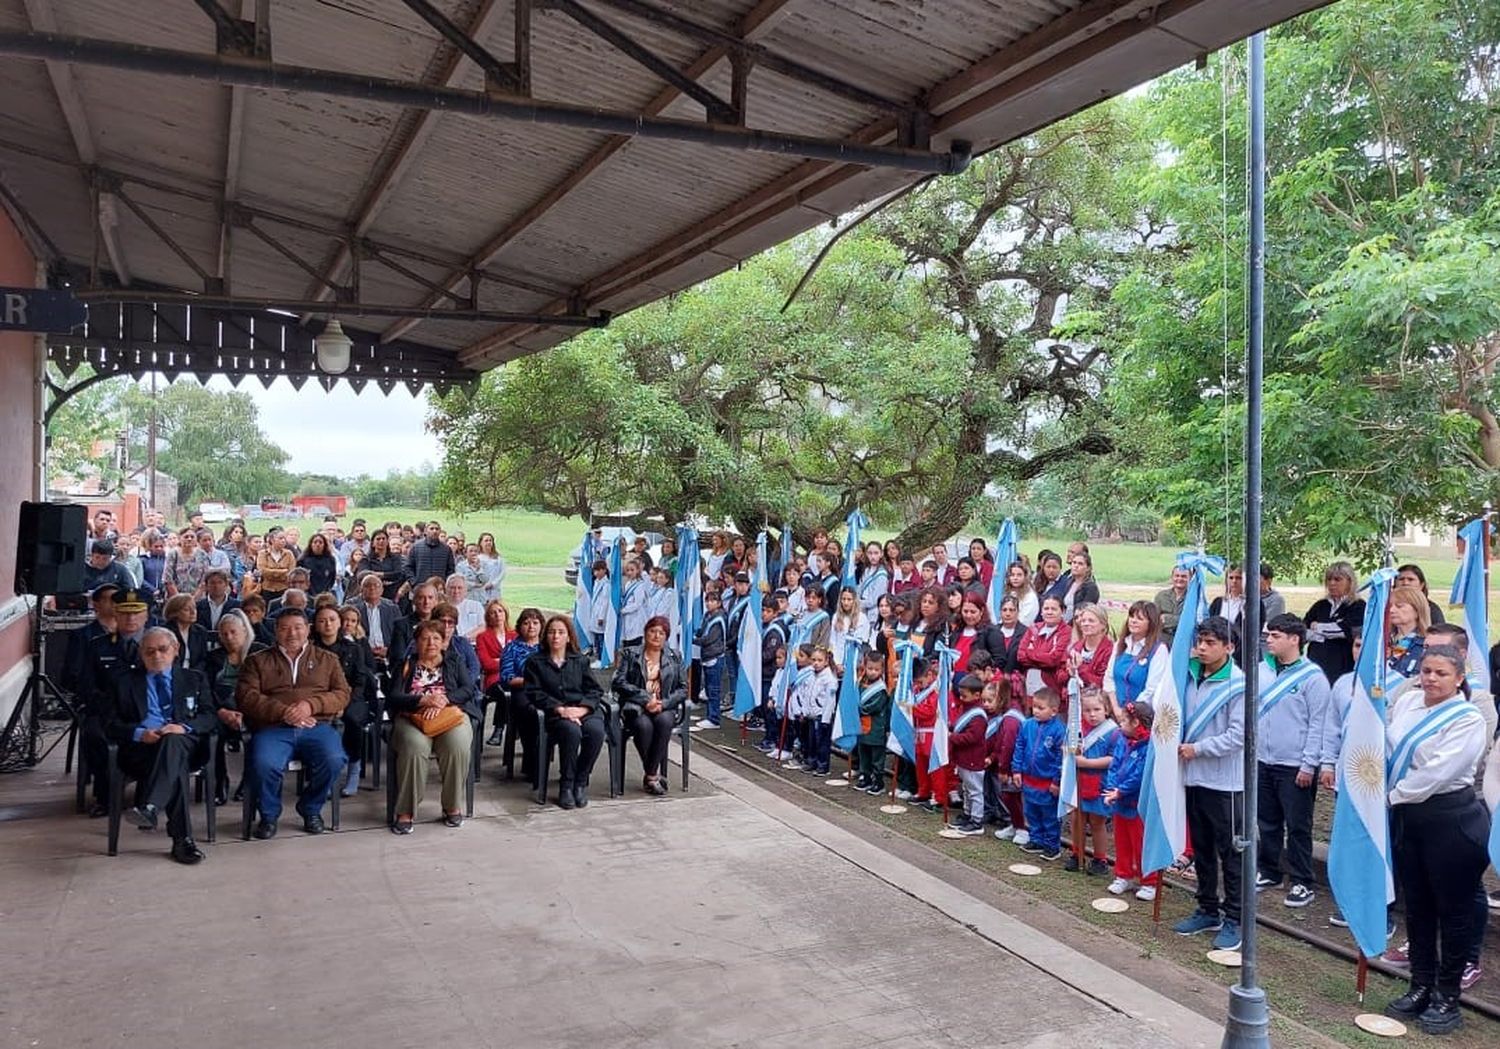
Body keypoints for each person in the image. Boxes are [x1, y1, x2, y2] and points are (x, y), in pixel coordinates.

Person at [1382, 646, 1492, 1034]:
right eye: (1426, 671)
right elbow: (1389, 745)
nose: (1431, 679)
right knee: (1419, 908)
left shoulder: (1468, 718)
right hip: (1410, 821)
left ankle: (1448, 996)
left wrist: (1391, 797)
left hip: (1451, 821)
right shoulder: (1410, 701)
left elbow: (1438, 772)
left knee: (1455, 912)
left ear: (1459, 677)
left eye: (1441, 673)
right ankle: (1421, 985)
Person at [103, 627, 216, 864]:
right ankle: (182, 841)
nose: (156, 656)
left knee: (173, 742)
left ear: (175, 650)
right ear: (141, 654)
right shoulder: (124, 682)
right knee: (175, 765)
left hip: (187, 744)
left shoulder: (193, 678)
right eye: (149, 651)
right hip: (142, 750)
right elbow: (109, 723)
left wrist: (183, 727)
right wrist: (139, 733)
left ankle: (150, 805)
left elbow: (209, 717)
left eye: (163, 649)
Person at [236, 608, 350, 839]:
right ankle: (268, 815)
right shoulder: (257, 661)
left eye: (298, 627)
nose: (292, 633)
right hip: (274, 727)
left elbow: (342, 693)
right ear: (276, 631)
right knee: (264, 763)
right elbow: (246, 696)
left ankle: (311, 808)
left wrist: (311, 705)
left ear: (308, 629)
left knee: (334, 759)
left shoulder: (327, 660)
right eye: (285, 628)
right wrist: (283, 711)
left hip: (316, 726)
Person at [1171, 616, 1248, 953]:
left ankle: (1235, 917)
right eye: (1200, 641)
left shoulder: (1239, 684)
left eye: (1210, 643)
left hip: (1225, 782)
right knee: (1201, 848)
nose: (1202, 648)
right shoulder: (1187, 675)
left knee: (1230, 852)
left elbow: (1237, 736)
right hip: (1193, 777)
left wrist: (1198, 749)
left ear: (1229, 647)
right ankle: (1207, 908)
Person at [1252, 613, 1329, 909]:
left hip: (1294, 764)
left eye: (1275, 636)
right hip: (1264, 759)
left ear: (1294, 639)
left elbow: (1317, 724)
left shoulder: (1313, 678)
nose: (1268, 641)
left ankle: (1301, 880)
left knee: (1298, 826)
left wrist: (1309, 764)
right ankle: (1270, 870)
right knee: (1267, 821)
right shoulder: (1262, 671)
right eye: (1268, 635)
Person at [387, 620, 479, 833]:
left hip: (449, 716)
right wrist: (422, 701)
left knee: (457, 746)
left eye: (436, 638)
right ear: (416, 642)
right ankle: (406, 810)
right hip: (412, 718)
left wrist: (443, 699)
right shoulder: (406, 664)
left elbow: (468, 689)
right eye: (425, 638)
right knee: (414, 748)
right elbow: (394, 697)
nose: (431, 643)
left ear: (443, 641)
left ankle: (452, 805)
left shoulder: (454, 661)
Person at [525, 616, 605, 809]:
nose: (556, 636)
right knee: (571, 732)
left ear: (569, 637)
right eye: (552, 632)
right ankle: (566, 785)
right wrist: (560, 709)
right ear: (546, 636)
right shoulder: (535, 662)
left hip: (583, 710)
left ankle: (581, 781)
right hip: (555, 712)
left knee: (596, 732)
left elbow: (594, 690)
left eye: (561, 632)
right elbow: (533, 692)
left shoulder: (580, 661)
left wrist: (581, 709)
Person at [612, 616, 688, 795]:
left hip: (664, 705)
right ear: (645, 633)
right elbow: (618, 682)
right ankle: (653, 775)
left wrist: (664, 703)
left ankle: (650, 775)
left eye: (661, 633)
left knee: (663, 722)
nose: (656, 636)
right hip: (637, 706)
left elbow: (683, 689)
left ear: (666, 637)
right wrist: (645, 699)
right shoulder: (630, 654)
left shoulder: (675, 656)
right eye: (652, 631)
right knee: (643, 726)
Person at [310, 604, 372, 799]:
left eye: (332, 619)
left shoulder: (353, 648)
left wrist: (343, 702)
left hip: (350, 698)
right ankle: (323, 775)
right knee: (318, 724)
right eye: (322, 620)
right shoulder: (309, 650)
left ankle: (353, 769)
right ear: (316, 625)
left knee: (353, 720)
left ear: (339, 623)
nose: (327, 624)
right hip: (319, 700)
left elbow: (360, 680)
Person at [1102, 698, 1156, 900]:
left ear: (1135, 723)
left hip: (1137, 804)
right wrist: (1111, 787)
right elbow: (1115, 765)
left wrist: (1121, 790)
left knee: (1141, 843)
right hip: (1120, 802)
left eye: (1124, 720)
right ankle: (1123, 875)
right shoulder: (1122, 740)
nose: (1120, 724)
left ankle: (1148, 880)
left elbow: (1140, 775)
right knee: (1121, 841)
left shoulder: (1149, 746)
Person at [1066, 686, 1118, 875]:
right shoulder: (1077, 729)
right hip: (1079, 781)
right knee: (1076, 818)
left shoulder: (1113, 732)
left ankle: (1100, 859)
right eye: (1087, 710)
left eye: (1096, 710)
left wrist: (1087, 762)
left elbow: (1113, 759)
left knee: (1097, 822)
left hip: (1100, 782)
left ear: (1106, 709)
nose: (1092, 715)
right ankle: (1076, 852)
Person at [1012, 686, 1065, 861]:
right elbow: (1019, 746)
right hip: (1029, 778)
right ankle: (1036, 839)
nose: (1036, 711)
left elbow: (1061, 758)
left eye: (1041, 708)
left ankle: (1052, 845)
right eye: (1034, 706)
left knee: (1049, 815)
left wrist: (1057, 781)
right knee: (1031, 811)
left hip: (1048, 780)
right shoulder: (1027, 725)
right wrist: (1016, 769)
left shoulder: (1059, 730)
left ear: (1054, 711)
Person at [497, 607, 543, 774]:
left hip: (547, 693)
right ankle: (531, 761)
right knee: (530, 712)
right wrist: (533, 681)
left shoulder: (547, 647)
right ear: (519, 626)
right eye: (526, 623)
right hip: (522, 691)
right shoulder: (512, 648)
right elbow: (507, 678)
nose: (531, 626)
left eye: (535, 623)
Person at [1304, 561, 1365, 683]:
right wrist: (1324, 634)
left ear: (1350, 582)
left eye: (1337, 579)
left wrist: (1318, 627)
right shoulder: (1320, 605)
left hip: (1343, 667)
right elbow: (1302, 630)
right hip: (1316, 665)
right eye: (1329, 579)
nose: (1332, 583)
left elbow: (1346, 631)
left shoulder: (1358, 606)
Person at [947, 674, 991, 836]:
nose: (961, 698)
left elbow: (972, 737)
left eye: (964, 695)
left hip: (973, 759)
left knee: (975, 791)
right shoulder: (966, 709)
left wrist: (953, 737)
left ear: (977, 695)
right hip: (964, 759)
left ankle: (976, 820)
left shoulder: (978, 716)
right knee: (966, 789)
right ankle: (967, 813)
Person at [1107, 601, 1169, 714]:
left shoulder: (1159, 650)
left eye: (1140, 618)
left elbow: (1152, 689)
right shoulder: (1120, 644)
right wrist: (1116, 708)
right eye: (1131, 616)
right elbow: (1109, 678)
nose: (1133, 621)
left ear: (1151, 623)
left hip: (1139, 715)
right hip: (1115, 710)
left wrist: (1129, 712)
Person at [1018, 596, 1072, 698]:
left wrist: (1030, 653)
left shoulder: (1067, 632)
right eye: (1046, 609)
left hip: (1051, 687)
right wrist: (1044, 658)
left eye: (1054, 609)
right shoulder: (1033, 628)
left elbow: (1054, 659)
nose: (1049, 612)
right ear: (1041, 611)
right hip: (1029, 684)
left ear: (1063, 611)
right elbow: (1020, 656)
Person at [475, 599, 512, 744]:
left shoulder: (514, 635)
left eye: (500, 611)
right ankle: (498, 730)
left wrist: (498, 660)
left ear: (505, 613)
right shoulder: (483, 637)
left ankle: (517, 729)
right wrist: (507, 661)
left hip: (513, 678)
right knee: (504, 694)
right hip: (493, 680)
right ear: (488, 616)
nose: (497, 615)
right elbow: (486, 664)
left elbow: (521, 662)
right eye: (493, 612)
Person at [855, 650, 891, 795]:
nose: (872, 672)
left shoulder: (881, 689)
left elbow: (873, 706)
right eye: (870, 668)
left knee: (877, 757)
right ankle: (865, 775)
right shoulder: (861, 683)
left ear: (882, 670)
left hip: (876, 729)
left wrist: (858, 708)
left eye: (876, 669)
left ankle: (878, 780)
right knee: (864, 753)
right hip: (862, 727)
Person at [693, 589, 727, 728]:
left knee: (713, 689)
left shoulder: (719, 618)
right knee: (708, 688)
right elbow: (701, 631)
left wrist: (694, 640)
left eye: (712, 601)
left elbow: (709, 639)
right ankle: (710, 715)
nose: (709, 603)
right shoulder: (708, 615)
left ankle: (714, 718)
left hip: (715, 655)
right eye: (707, 600)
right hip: (707, 656)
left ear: (719, 603)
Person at [1066, 604, 1113, 691]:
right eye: (1083, 621)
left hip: (1097, 700)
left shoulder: (1110, 651)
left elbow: (1103, 682)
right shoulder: (1076, 647)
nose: (1086, 624)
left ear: (1103, 624)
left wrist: (1078, 669)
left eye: (1091, 621)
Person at [1387, 586, 1431, 678]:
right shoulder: (1385, 642)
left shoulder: (1427, 645)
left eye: (1399, 606)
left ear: (1417, 610)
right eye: (1390, 606)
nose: (1391, 610)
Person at [161, 594, 211, 671]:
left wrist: (194, 675)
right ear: (174, 613)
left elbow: (203, 659)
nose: (193, 612)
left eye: (194, 608)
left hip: (194, 676)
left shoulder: (200, 631)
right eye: (187, 609)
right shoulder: (164, 632)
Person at [406, 520, 456, 585]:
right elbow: (408, 567)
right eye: (431, 529)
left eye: (437, 529)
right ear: (425, 531)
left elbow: (451, 569)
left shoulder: (446, 549)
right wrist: (413, 582)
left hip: (439, 588)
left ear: (439, 531)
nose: (434, 531)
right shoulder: (416, 547)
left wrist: (445, 583)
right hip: (420, 587)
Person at [365, 530, 409, 602]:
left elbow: (398, 573)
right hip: (373, 593)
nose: (381, 541)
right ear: (372, 543)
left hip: (393, 594)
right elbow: (364, 574)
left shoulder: (395, 558)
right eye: (378, 539)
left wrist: (381, 575)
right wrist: (388, 576)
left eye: (383, 538)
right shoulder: (366, 559)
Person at [256, 527, 295, 602]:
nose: (283, 541)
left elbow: (291, 572)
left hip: (284, 589)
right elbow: (262, 571)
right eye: (280, 538)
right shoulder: (263, 554)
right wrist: (282, 571)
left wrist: (271, 572)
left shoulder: (289, 554)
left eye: (284, 538)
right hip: (267, 590)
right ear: (272, 540)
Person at [195, 567, 239, 632]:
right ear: (206, 585)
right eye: (212, 583)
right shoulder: (198, 606)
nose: (216, 586)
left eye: (220, 582)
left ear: (226, 584)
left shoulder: (237, 605)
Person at [1061, 551, 1100, 623]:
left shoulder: (1091, 587)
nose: (1076, 566)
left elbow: (1085, 611)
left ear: (1088, 568)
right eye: (1074, 562)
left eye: (1080, 564)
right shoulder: (1069, 581)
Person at [1155, 565, 1190, 644]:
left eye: (1184, 576)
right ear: (1172, 577)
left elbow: (1191, 622)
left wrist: (1166, 618)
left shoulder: (1193, 599)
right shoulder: (1161, 596)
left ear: (1190, 578)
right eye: (1177, 576)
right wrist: (1180, 619)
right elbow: (1155, 620)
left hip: (1183, 641)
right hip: (1162, 640)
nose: (1180, 579)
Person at [444, 574, 486, 639]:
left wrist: (466, 638)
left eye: (459, 588)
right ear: (446, 590)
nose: (456, 591)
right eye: (452, 588)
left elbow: (483, 626)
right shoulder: (441, 608)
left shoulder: (476, 606)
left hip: (472, 643)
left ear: (466, 590)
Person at [1002, 560, 1039, 626]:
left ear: (1025, 577)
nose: (1015, 578)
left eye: (1019, 575)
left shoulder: (1030, 597)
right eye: (1012, 575)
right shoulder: (1006, 593)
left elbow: (1025, 620)